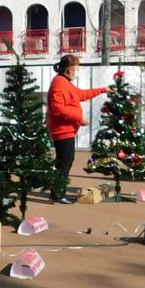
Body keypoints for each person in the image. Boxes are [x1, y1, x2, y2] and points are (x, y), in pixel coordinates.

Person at [47, 55, 107, 204]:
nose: (77, 71)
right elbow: (57, 109)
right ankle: (58, 194)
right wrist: (78, 118)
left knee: (66, 161)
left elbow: (80, 94)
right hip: (62, 130)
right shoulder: (59, 83)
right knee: (64, 162)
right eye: (76, 68)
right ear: (68, 69)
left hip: (66, 129)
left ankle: (58, 192)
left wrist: (102, 90)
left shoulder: (65, 83)